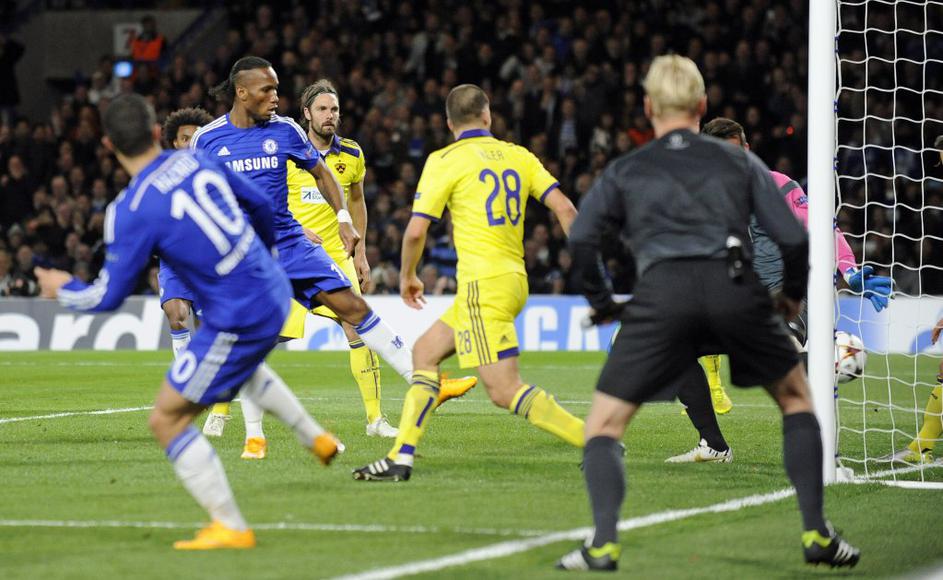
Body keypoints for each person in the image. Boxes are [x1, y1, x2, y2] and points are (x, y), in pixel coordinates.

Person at [557, 56, 859, 570]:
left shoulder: (630, 167)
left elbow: (582, 237)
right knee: (796, 400)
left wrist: (604, 304)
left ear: (648, 107)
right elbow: (793, 237)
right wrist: (790, 296)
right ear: (701, 105)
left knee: (603, 424)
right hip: (733, 290)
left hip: (662, 298)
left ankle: (603, 545)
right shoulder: (743, 165)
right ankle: (816, 533)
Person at [34, 94, 341, 550]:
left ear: (108, 144)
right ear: (154, 132)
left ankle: (230, 526)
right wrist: (264, 255)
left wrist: (63, 288)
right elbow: (260, 204)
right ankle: (316, 438)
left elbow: (107, 296)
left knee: (166, 419)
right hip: (271, 287)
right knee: (243, 366)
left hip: (239, 311)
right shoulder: (199, 158)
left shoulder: (130, 209)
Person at [193, 57, 475, 458]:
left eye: (277, 89)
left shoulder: (286, 130)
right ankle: (253, 435)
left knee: (354, 308)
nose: (275, 97)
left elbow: (323, 174)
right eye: (267, 90)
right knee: (250, 339)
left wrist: (343, 219)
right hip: (248, 254)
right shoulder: (207, 139)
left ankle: (428, 382)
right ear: (242, 92)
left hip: (292, 244)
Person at [352, 84, 585, 483]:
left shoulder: (445, 159)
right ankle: (400, 457)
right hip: (513, 279)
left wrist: (408, 276)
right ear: (487, 115)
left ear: (448, 123)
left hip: (482, 284)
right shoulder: (519, 155)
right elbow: (565, 208)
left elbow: (415, 231)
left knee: (504, 390)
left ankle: (595, 439)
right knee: (425, 353)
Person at [667, 117, 892, 464]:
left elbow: (820, 226)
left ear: (747, 148)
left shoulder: (777, 186)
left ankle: (823, 372)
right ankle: (714, 446)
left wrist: (849, 270)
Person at [275, 79, 396, 437]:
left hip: (336, 256)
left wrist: (361, 252)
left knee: (358, 326)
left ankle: (375, 419)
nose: (330, 115)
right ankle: (220, 412)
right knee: (259, 334)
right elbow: (270, 200)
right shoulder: (287, 152)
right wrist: (296, 229)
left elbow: (357, 201)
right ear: (307, 113)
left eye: (334, 109)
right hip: (292, 255)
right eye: (323, 109)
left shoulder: (352, 154)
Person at [157, 107, 214, 362]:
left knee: (207, 328)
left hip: (209, 260)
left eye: (196, 137)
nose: (190, 143)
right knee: (177, 315)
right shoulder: (160, 175)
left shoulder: (216, 175)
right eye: (184, 138)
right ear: (174, 142)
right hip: (174, 259)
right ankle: (185, 377)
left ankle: (209, 376)